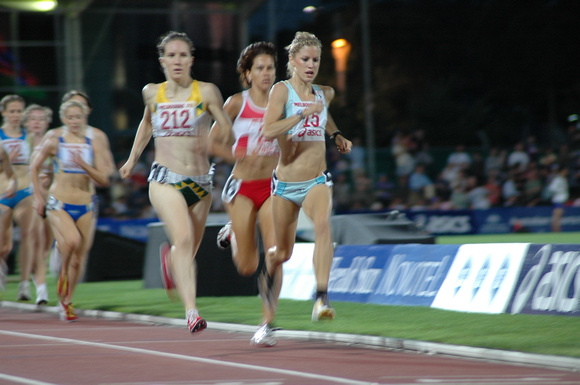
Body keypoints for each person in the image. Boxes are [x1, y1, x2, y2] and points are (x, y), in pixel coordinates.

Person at [119, 31, 232, 334]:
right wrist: (132, 160)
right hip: (164, 179)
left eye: (183, 55)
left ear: (192, 59)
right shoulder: (151, 92)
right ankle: (192, 312)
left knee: (187, 251)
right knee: (182, 240)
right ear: (162, 60)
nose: (177, 60)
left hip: (200, 184)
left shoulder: (207, 92)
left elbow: (225, 128)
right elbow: (146, 123)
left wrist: (218, 142)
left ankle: (169, 264)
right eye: (171, 55)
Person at [258, 31, 352, 345]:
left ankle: (321, 298)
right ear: (292, 61)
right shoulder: (280, 92)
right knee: (279, 254)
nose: (311, 65)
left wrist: (336, 134)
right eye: (305, 59)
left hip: (316, 179)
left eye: (315, 60)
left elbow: (323, 114)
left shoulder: (324, 93)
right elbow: (269, 130)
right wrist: (301, 114)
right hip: (285, 184)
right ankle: (267, 322)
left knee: (324, 225)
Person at [208, 42, 279, 342]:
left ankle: (268, 324)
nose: (266, 73)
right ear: (248, 74)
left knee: (277, 254)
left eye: (271, 68)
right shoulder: (237, 103)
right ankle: (234, 234)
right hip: (243, 188)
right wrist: (238, 154)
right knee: (248, 266)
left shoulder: (284, 101)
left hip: (274, 187)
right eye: (259, 68)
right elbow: (212, 143)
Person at [30, 99, 113, 321]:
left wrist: (84, 165)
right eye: (70, 117)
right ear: (63, 118)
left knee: (79, 258)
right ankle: (62, 261)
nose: (74, 121)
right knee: (72, 241)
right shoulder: (54, 138)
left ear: (85, 117)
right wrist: (39, 197)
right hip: (59, 202)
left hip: (86, 204)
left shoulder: (93, 141)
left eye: (79, 117)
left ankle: (66, 301)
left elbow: (105, 179)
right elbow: (34, 165)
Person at [0, 94, 38, 302]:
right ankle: (2, 263)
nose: (16, 115)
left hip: (25, 190)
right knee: (4, 246)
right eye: (12, 111)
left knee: (28, 236)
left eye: (19, 111)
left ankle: (24, 285)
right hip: (3, 192)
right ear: (4, 112)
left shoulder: (29, 136)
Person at [23, 104, 54, 305]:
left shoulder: (54, 141)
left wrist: (48, 177)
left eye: (41, 118)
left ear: (47, 122)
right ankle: (42, 290)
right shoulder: (20, 143)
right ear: (26, 123)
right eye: (33, 119)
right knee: (35, 239)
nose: (36, 122)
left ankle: (37, 272)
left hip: (52, 197)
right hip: (27, 198)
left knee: (45, 246)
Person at [0, 142, 18, 293]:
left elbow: (10, 174)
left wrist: (12, 184)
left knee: (6, 247)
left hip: (3, 195)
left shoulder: (1, 149)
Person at [545, 164, 569, 232]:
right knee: (556, 217)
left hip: (560, 200)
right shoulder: (558, 179)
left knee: (558, 217)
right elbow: (551, 188)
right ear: (563, 171)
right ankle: (556, 231)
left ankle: (556, 231)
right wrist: (561, 191)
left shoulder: (562, 178)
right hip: (558, 200)